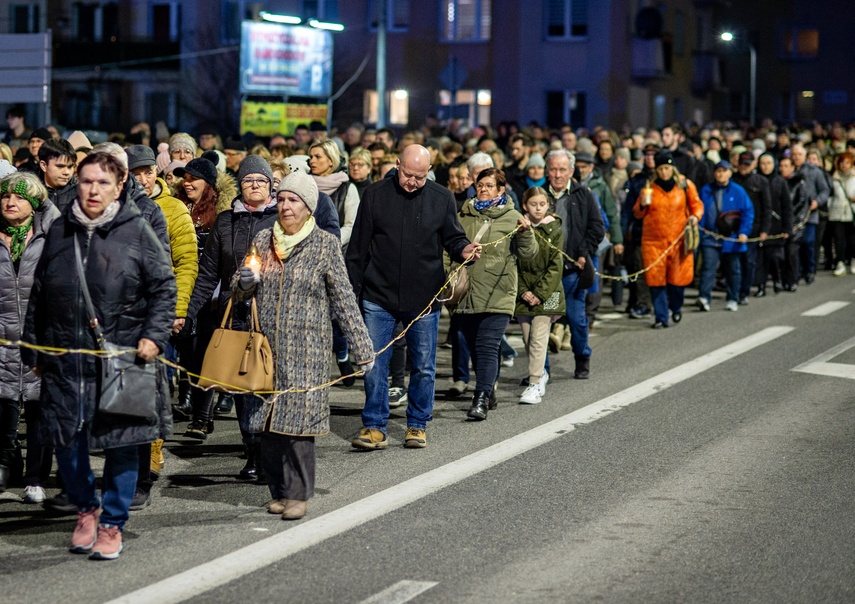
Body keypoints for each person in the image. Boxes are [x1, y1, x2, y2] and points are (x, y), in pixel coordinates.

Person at [22, 152, 175, 560]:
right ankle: (86, 510)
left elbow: (164, 288)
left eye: (103, 183)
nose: (93, 190)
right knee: (67, 442)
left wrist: (153, 336)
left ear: (119, 186)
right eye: (87, 181)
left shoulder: (137, 230)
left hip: (121, 357)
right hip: (66, 357)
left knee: (122, 444)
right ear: (77, 181)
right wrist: (33, 345)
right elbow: (39, 291)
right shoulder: (59, 229)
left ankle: (112, 523)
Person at [233, 171, 374, 520]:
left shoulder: (324, 244)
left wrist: (361, 348)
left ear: (309, 207)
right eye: (281, 200)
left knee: (297, 429)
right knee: (267, 429)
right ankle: (278, 491)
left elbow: (343, 299)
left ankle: (298, 495)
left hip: (306, 351)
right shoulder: (263, 239)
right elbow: (240, 287)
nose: (285, 206)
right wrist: (244, 281)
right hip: (264, 352)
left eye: (293, 201)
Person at [347, 144, 479, 449]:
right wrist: (352, 294)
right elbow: (357, 249)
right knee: (374, 363)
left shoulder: (442, 197)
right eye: (408, 175)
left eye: (421, 176)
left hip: (424, 298)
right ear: (396, 165)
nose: (413, 182)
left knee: (423, 365)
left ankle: (417, 424)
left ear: (429, 171)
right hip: (378, 295)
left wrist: (464, 249)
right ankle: (374, 425)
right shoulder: (375, 195)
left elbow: (453, 237)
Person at [183, 155, 277, 479]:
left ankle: (268, 451)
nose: (254, 185)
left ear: (270, 186)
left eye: (260, 181)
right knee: (241, 386)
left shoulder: (281, 218)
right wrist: (190, 313)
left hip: (271, 316)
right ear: (240, 185)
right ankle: (252, 451)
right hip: (234, 314)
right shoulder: (225, 222)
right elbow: (208, 274)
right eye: (249, 180)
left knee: (266, 385)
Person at [455, 169, 536, 420]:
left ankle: (479, 398)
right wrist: (451, 270)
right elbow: (451, 246)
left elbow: (529, 254)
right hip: (467, 291)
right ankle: (488, 391)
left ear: (501, 189)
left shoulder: (513, 217)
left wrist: (526, 234)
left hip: (499, 291)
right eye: (480, 185)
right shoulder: (463, 215)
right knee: (475, 348)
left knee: (487, 345)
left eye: (489, 186)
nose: (484, 190)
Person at [0, 173, 60, 501]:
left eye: (20, 197)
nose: (11, 202)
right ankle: (7, 464)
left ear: (34, 203)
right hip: (2, 337)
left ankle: (36, 477)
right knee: (4, 406)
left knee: (39, 410)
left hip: (39, 336)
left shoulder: (48, 236)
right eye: (6, 196)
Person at [545, 149, 605, 378]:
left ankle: (582, 358)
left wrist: (583, 253)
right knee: (543, 321)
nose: (557, 174)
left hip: (572, 271)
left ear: (571, 171)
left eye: (562, 170)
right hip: (546, 272)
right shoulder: (540, 194)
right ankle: (541, 370)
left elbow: (597, 228)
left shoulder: (583, 195)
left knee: (577, 319)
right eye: (553, 169)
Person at [633, 150, 704, 326]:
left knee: (677, 280)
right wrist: (642, 204)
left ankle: (676, 307)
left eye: (667, 167)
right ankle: (661, 317)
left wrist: (695, 217)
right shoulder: (649, 187)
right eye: (660, 168)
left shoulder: (685, 185)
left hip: (679, 239)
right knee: (655, 280)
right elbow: (638, 213)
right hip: (653, 241)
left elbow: (697, 205)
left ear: (672, 168)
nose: (664, 172)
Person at [514, 186, 564, 405]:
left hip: (548, 291)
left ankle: (534, 383)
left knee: (539, 337)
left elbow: (556, 264)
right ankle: (541, 372)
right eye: (533, 204)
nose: (538, 208)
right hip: (524, 291)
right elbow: (513, 260)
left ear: (548, 205)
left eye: (542, 204)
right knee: (528, 339)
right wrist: (523, 290)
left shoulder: (554, 228)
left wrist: (539, 293)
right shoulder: (518, 227)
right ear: (525, 206)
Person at [697, 160, 754, 313]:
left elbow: (748, 212)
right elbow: (699, 210)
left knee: (733, 269)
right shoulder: (706, 190)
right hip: (710, 236)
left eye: (724, 171)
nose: (720, 174)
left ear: (730, 173)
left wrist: (744, 231)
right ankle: (704, 297)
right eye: (718, 171)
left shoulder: (738, 191)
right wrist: (699, 231)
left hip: (731, 237)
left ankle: (732, 297)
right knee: (708, 268)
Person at [731, 151, 772, 302]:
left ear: (753, 165)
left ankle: (744, 292)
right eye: (742, 164)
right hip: (733, 228)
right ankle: (734, 292)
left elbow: (767, 207)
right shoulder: (733, 180)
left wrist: (765, 229)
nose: (744, 167)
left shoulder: (760, 181)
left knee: (749, 262)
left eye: (747, 165)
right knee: (734, 263)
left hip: (753, 229)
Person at [756, 153, 793, 294]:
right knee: (761, 258)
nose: (765, 166)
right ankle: (761, 286)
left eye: (769, 163)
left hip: (777, 224)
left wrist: (787, 228)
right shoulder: (756, 180)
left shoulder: (780, 181)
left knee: (776, 257)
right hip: (760, 224)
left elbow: (787, 207)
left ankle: (778, 280)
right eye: (763, 163)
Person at [778, 156, 810, 292]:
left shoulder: (799, 182)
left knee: (792, 253)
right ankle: (782, 280)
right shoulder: (777, 182)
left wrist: (792, 221)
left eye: (786, 166)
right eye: (781, 166)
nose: (783, 169)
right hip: (779, 223)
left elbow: (801, 203)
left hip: (794, 224)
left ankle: (792, 280)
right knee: (781, 254)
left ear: (792, 167)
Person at [829, 153, 855, 276]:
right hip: (836, 213)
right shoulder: (833, 178)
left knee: (852, 239)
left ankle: (853, 261)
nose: (844, 165)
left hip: (851, 213)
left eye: (847, 163)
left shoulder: (854, 177)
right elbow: (829, 194)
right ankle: (840, 263)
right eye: (842, 162)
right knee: (838, 240)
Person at [37, 138, 78, 212]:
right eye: (60, 166)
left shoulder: (80, 193)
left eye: (70, 167)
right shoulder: (32, 192)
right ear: (44, 166)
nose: (67, 172)